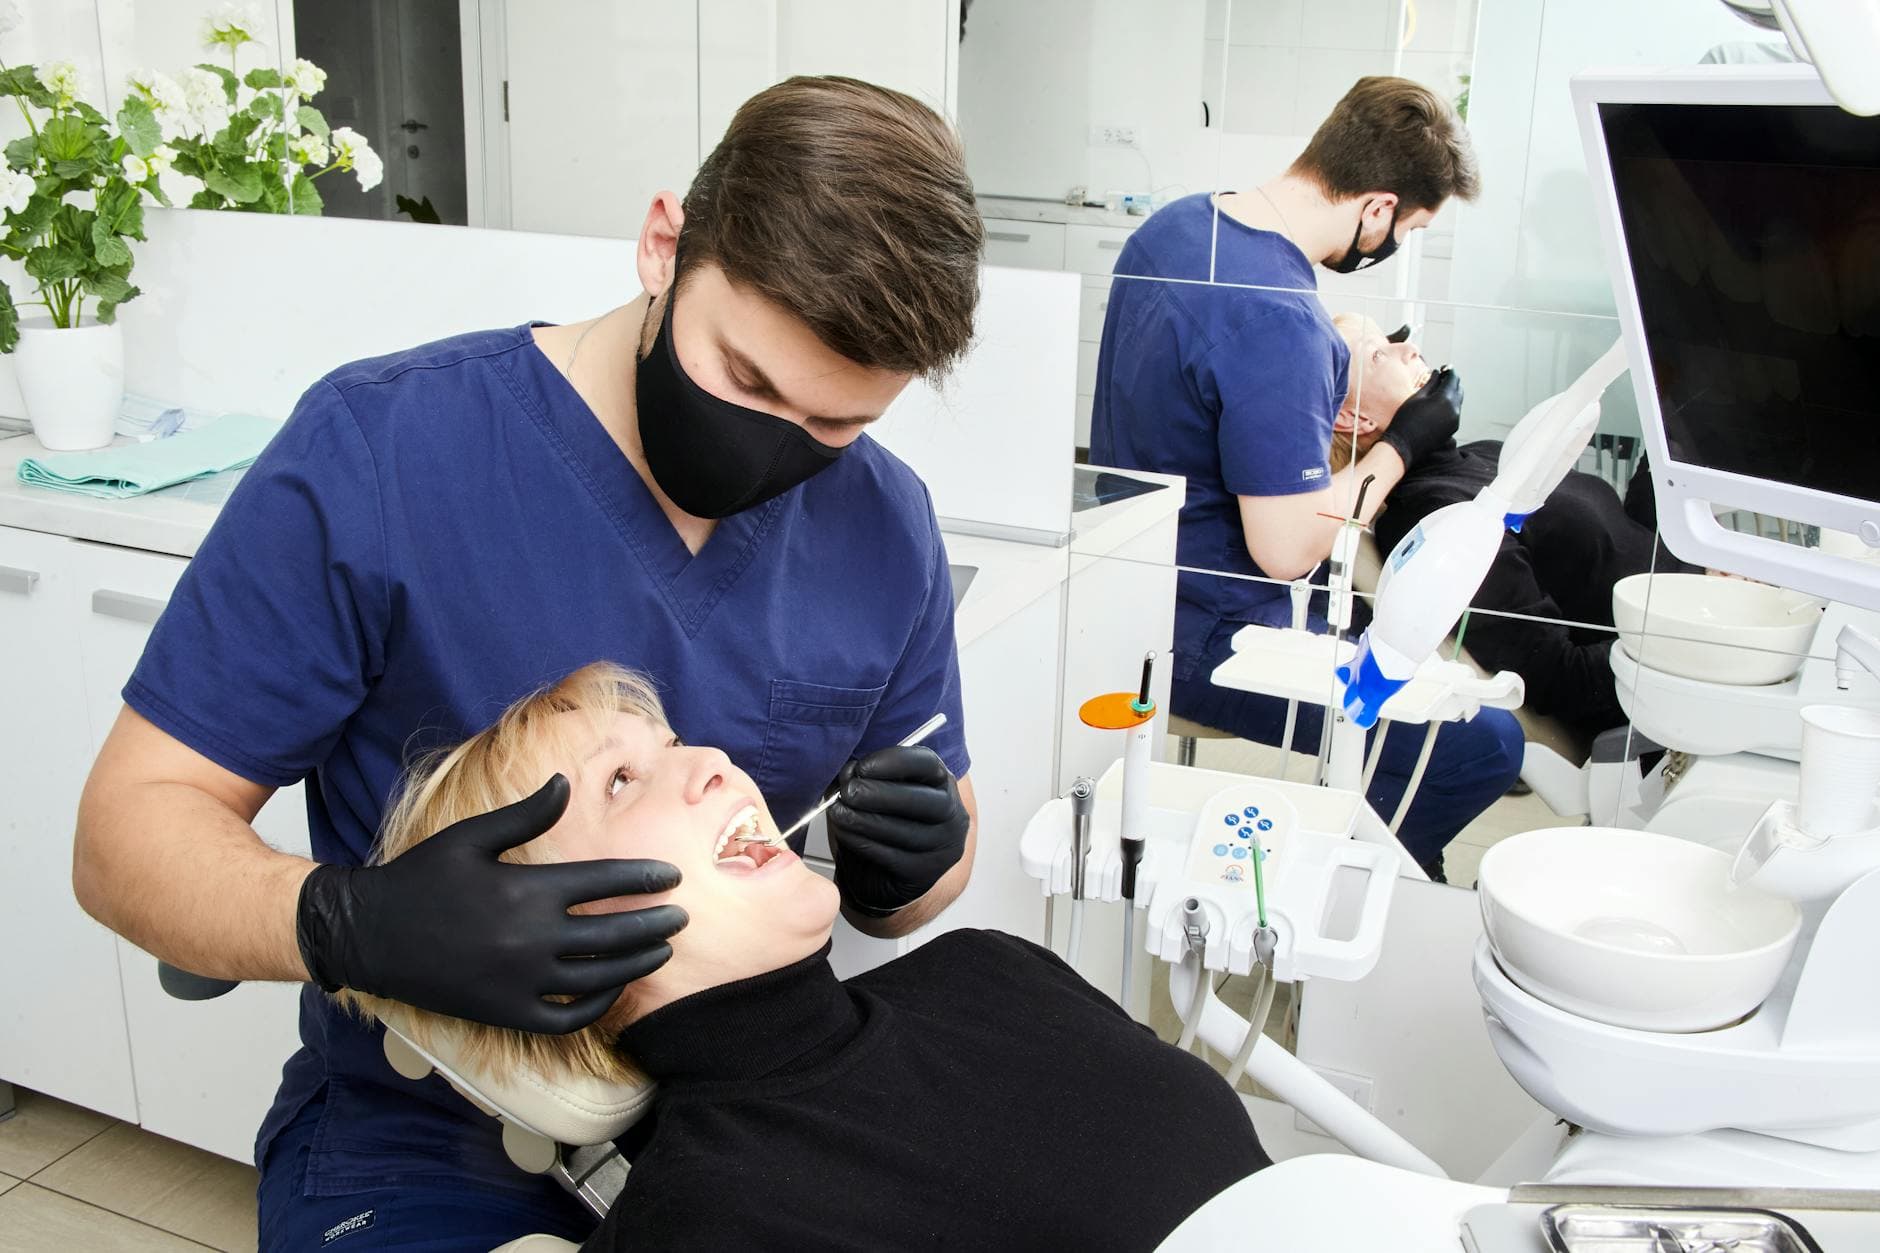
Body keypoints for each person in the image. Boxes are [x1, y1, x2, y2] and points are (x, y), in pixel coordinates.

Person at [73, 76, 986, 1247]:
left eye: (834, 427)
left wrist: (919, 857)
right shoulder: (386, 454)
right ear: (664, 244)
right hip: (429, 1138)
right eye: (749, 382)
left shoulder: (884, 526)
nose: (775, 450)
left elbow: (927, 859)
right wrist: (348, 922)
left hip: (754, 1112)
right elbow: (126, 833)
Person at [340, 661, 1272, 1251]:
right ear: (541, 935)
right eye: (621, 782)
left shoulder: (990, 964)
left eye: (670, 741)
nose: (709, 759)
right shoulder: (706, 1216)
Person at [1090, 76, 1520, 878]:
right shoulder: (1283, 320)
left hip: (1121, 589)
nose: (1396, 244)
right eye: (1410, 229)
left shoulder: (1175, 226)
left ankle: (1342, 858)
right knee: (1483, 740)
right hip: (1207, 635)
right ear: (1378, 209)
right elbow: (1288, 549)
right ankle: (1333, 908)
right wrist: (1407, 441)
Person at [1331, 314, 1685, 752]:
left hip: (1698, 610)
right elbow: (1561, 679)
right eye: (1380, 353)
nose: (1411, 350)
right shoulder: (1444, 520)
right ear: (1355, 418)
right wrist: (1694, 638)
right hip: (1672, 679)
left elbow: (1614, 551)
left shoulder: (1482, 457)